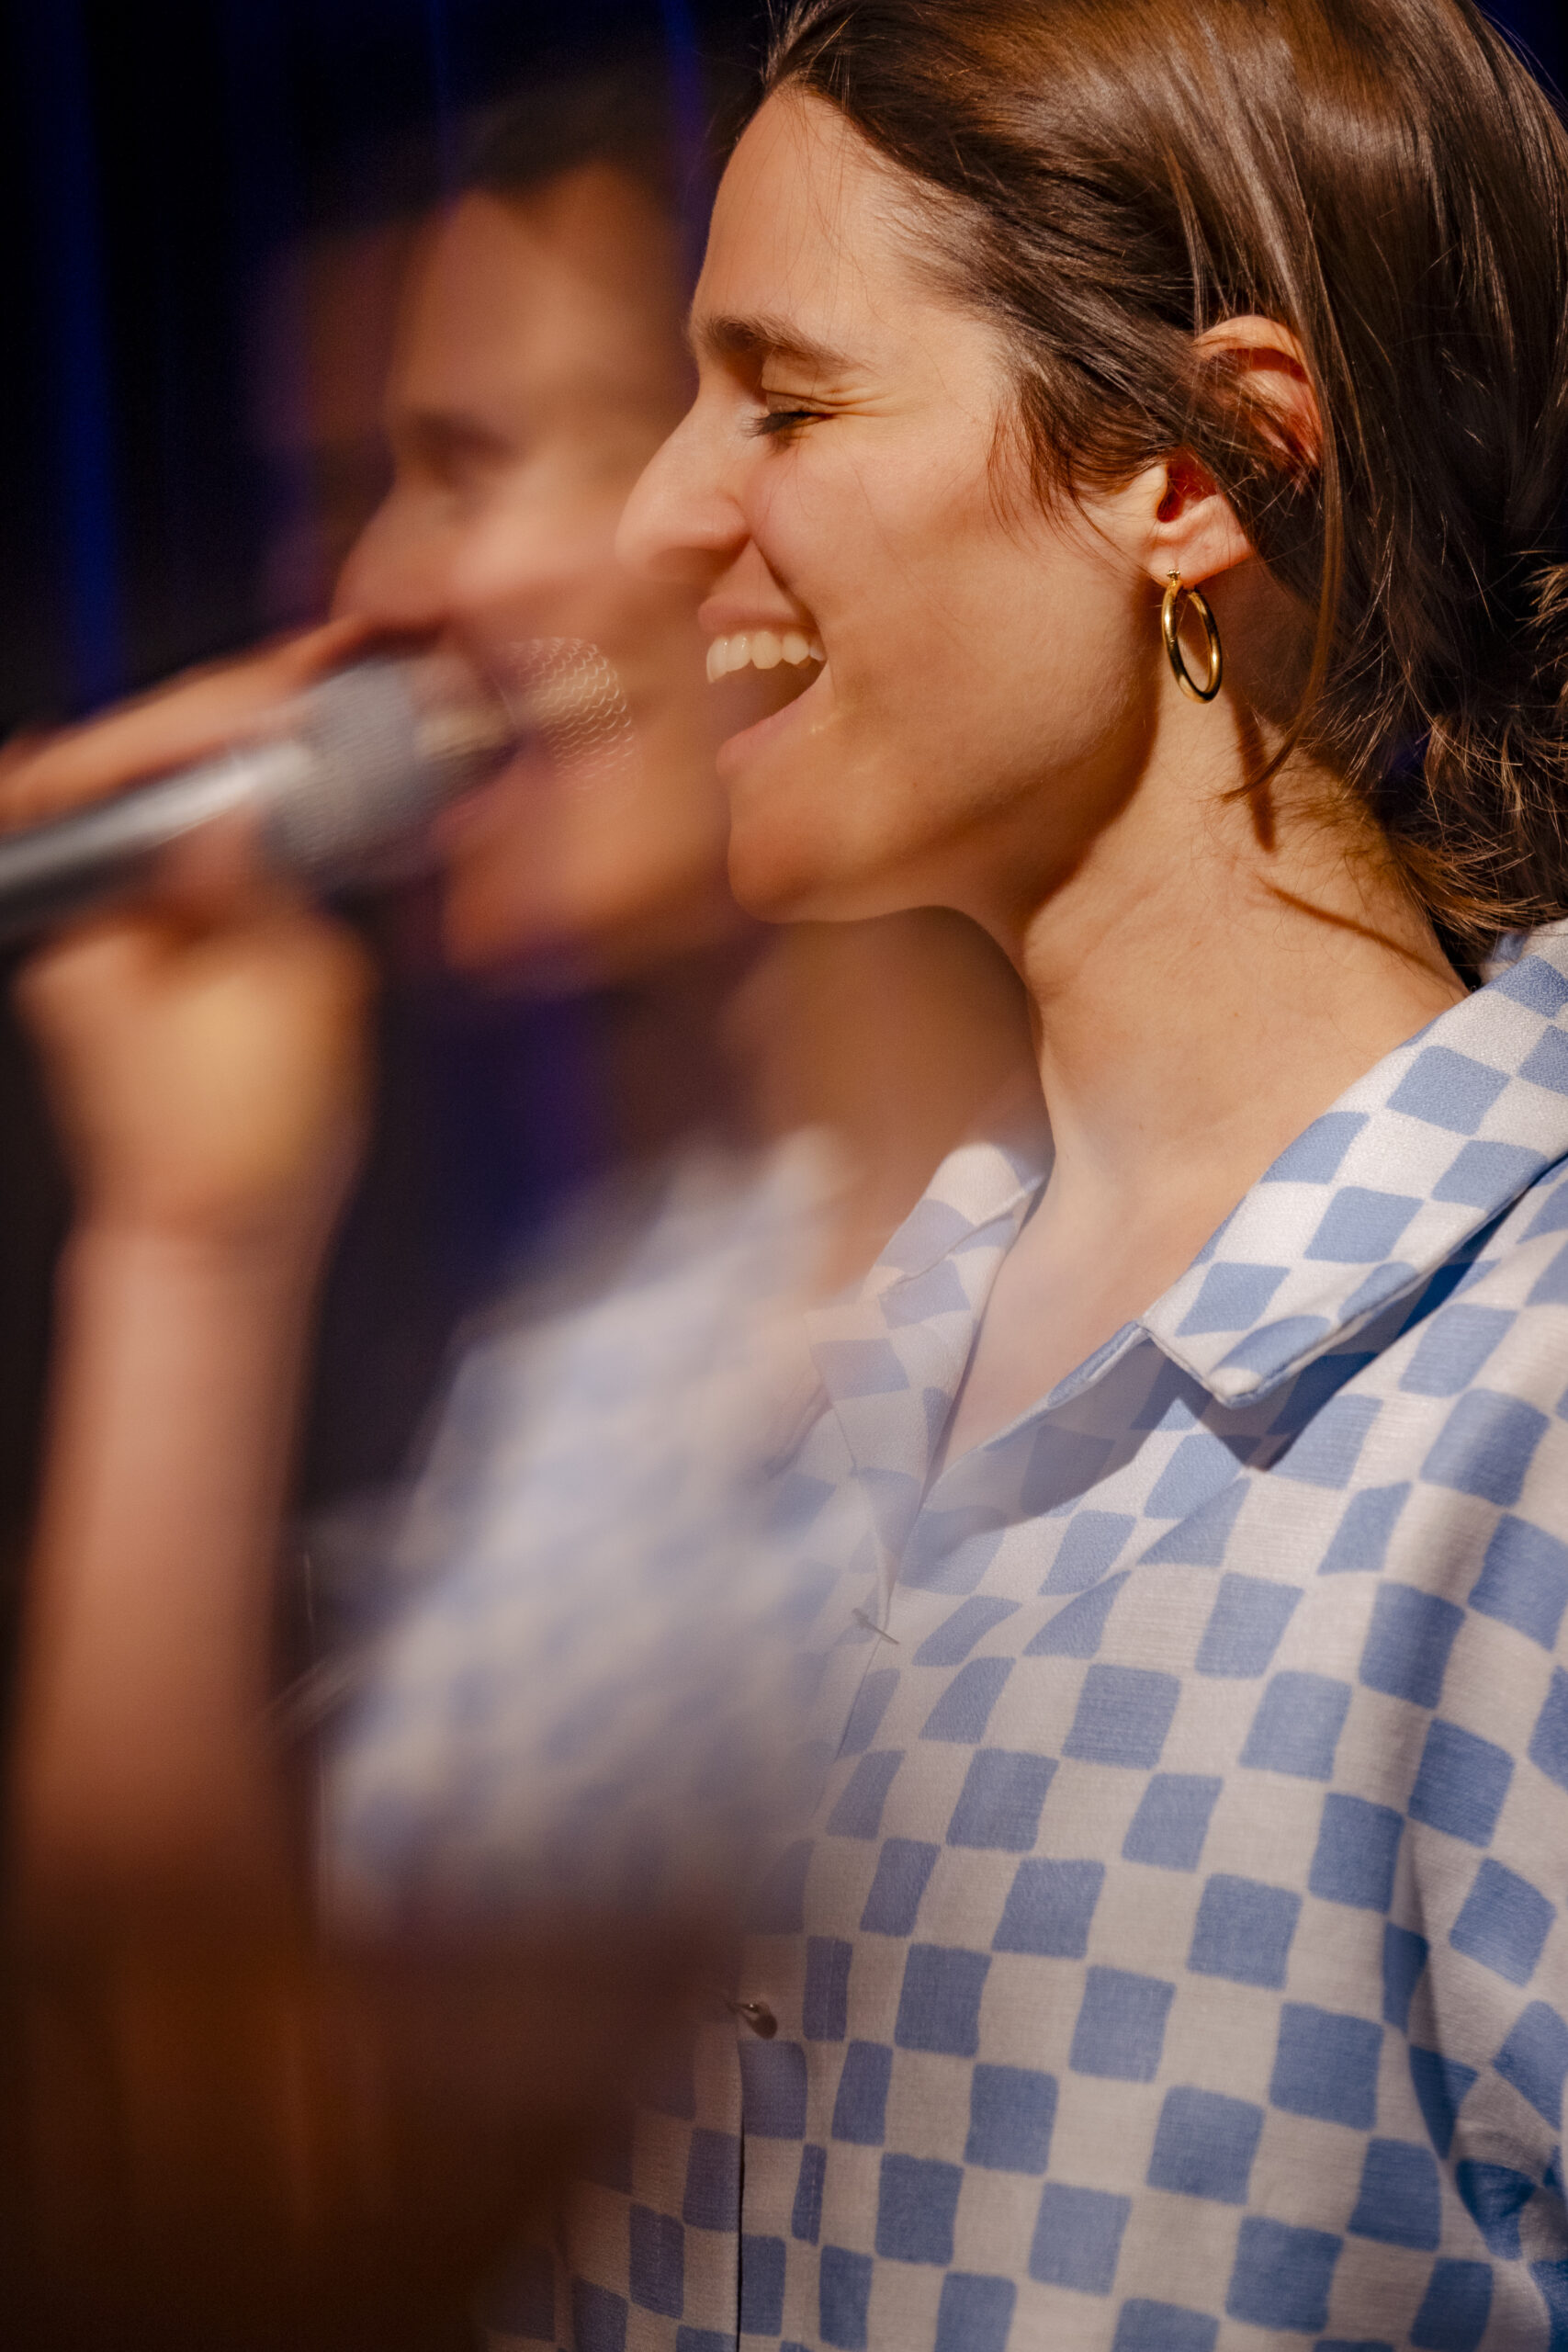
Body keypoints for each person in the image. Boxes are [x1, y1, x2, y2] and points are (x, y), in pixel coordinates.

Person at [505, 0, 1568, 2342]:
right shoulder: (844, 1379)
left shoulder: (1529, 1426)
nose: (656, 515)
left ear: (1192, 463)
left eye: (781, 401)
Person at [0, 51, 1032, 2352]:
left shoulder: (1224, 1279)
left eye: (463, 461)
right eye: (349, 489)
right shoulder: (578, 1371)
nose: (371, 591)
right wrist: (187, 1237)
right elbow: (194, 2186)